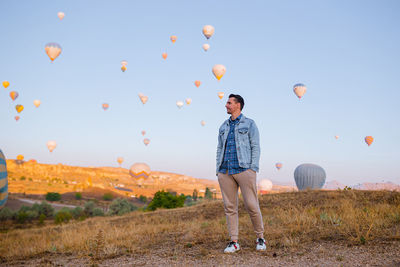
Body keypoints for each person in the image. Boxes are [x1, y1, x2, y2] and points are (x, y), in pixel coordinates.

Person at [216, 94, 265, 253]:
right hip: (225, 171)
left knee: (252, 205)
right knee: (230, 207)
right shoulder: (223, 126)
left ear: (238, 105)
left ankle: (260, 238)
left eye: (229, 103)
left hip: (245, 169)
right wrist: (218, 168)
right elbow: (219, 148)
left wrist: (253, 168)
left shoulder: (249, 124)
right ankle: (234, 242)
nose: (226, 105)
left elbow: (255, 146)